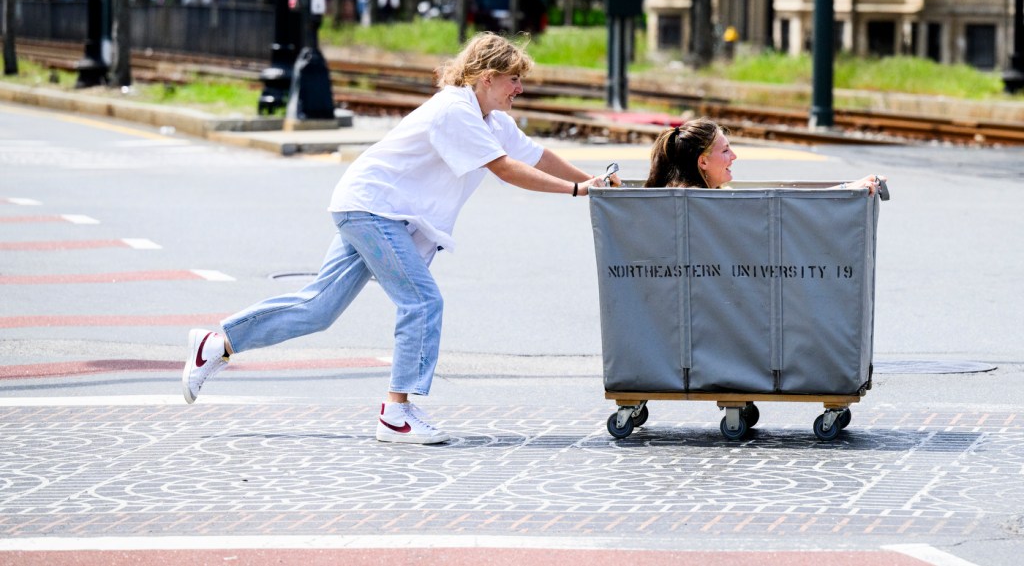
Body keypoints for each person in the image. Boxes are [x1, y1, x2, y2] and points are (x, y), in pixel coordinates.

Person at [182, 32, 620, 444]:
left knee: (318, 308)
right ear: (488, 78)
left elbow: (537, 155)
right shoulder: (455, 110)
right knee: (422, 301)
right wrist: (578, 192)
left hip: (372, 208)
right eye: (514, 80)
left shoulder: (492, 120)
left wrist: (593, 181)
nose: (518, 89)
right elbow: (505, 169)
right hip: (374, 209)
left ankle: (217, 343)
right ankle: (397, 414)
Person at [644, 117, 885, 194]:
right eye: (726, 150)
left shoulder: (661, 197)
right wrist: (849, 189)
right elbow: (790, 208)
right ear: (703, 162)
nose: (734, 156)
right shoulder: (706, 203)